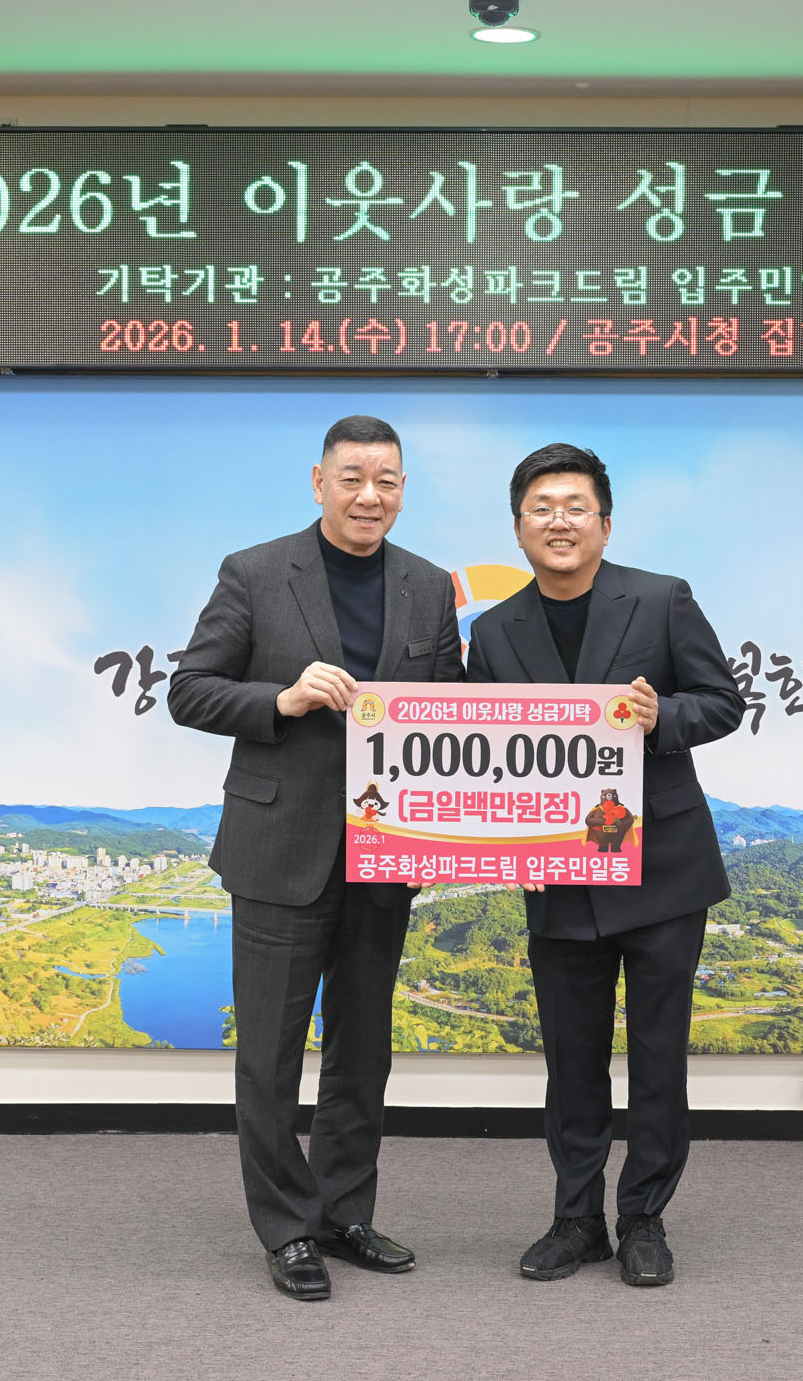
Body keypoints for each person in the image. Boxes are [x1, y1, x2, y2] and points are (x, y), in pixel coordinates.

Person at [167, 414, 463, 1301]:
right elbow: (190, 690)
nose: (370, 496)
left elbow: (449, 710)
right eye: (353, 478)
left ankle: (343, 1214)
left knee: (363, 1052)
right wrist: (283, 699)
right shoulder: (255, 572)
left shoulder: (427, 586)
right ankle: (287, 1228)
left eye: (387, 481)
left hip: (386, 849)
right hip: (278, 846)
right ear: (318, 481)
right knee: (268, 1056)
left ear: (403, 490)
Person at [465, 442, 742, 1288]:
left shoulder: (661, 599)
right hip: (557, 874)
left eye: (575, 506)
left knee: (659, 1058)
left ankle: (644, 1219)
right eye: (541, 508)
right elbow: (478, 754)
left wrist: (661, 719)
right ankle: (576, 1219)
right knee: (571, 1062)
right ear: (519, 528)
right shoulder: (494, 632)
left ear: (605, 523)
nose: (559, 521)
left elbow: (722, 702)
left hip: (660, 870)